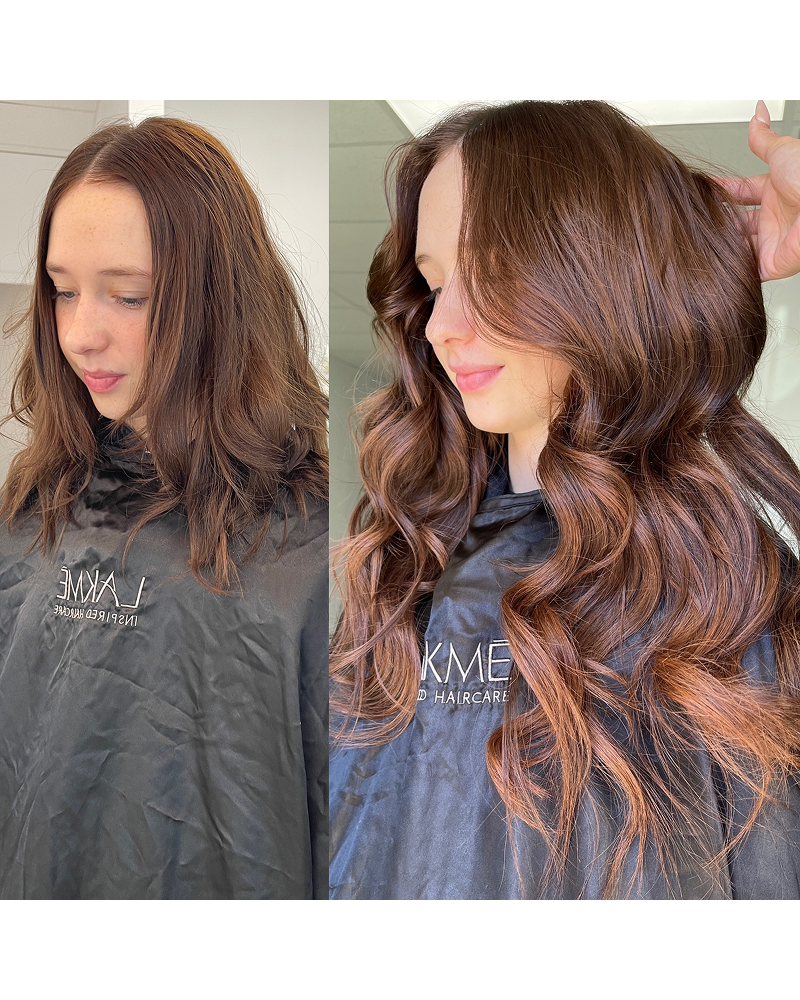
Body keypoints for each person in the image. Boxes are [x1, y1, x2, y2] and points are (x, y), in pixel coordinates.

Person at [330, 100, 800, 899]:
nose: (440, 326)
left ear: (596, 273)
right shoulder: (408, 563)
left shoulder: (731, 591)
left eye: (490, 273)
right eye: (435, 284)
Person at [0, 116, 329, 899]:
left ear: (217, 299)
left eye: (130, 296)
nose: (80, 334)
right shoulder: (32, 510)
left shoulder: (315, 544)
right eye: (63, 290)